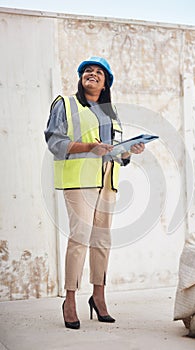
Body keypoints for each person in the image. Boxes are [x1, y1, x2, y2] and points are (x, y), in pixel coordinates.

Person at [44, 56, 145, 329]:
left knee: (102, 241)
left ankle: (98, 298)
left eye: (99, 72)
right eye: (87, 71)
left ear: (106, 82)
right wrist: (88, 147)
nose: (92, 74)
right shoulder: (65, 104)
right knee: (80, 238)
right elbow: (55, 141)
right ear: (81, 78)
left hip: (107, 182)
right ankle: (70, 300)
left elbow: (115, 153)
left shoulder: (110, 112)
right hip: (78, 181)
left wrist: (129, 151)